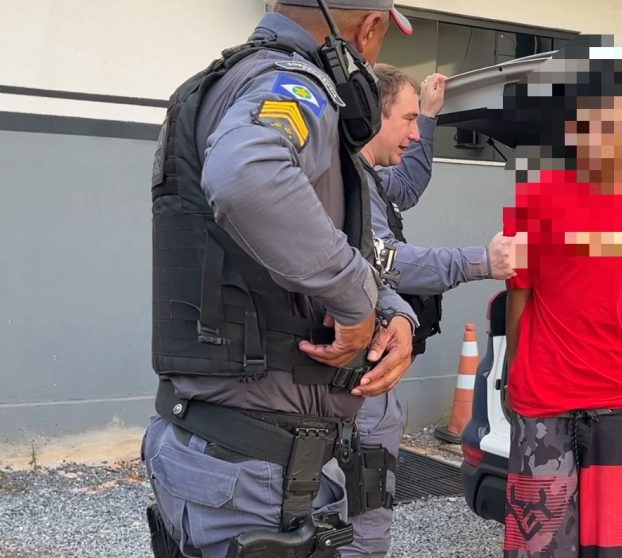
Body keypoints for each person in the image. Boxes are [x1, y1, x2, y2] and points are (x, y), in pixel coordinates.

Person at [141, 2, 419, 557]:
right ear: (370, 28)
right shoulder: (294, 82)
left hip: (223, 448)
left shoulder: (227, 84)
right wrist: (357, 302)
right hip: (260, 472)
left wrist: (390, 311)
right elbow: (247, 176)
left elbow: (313, 241)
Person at [345, 63, 515, 557]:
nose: (415, 133)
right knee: (356, 511)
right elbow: (384, 260)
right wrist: (480, 261)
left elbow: (408, 185)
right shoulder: (347, 181)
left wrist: (430, 115)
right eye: (407, 119)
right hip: (354, 380)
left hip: (367, 371)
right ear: (372, 117)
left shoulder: (368, 175)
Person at [501, 73, 622, 557]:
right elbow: (518, 294)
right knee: (539, 545)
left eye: (614, 124)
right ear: (572, 130)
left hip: (614, 396)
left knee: (615, 546)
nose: (601, 137)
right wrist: (513, 376)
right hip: (543, 395)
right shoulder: (533, 199)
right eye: (589, 124)